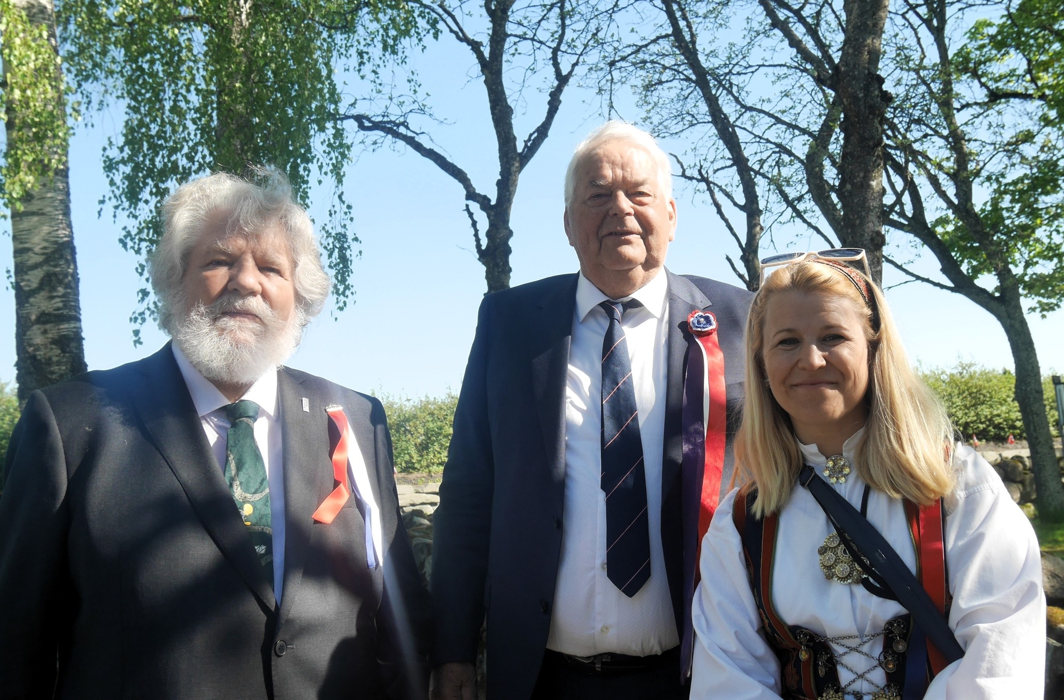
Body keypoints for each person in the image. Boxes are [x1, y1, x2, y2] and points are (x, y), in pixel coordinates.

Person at [0, 169, 432, 700]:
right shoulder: (69, 426)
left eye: (271, 267)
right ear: (174, 279)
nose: (246, 281)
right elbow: (15, 644)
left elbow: (399, 616)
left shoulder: (357, 420)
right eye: (219, 261)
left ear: (298, 298)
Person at [431, 121, 754, 700]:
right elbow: (469, 494)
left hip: (700, 674)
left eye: (639, 194)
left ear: (672, 216)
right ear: (567, 224)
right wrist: (452, 647)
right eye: (598, 195)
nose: (620, 209)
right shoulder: (509, 325)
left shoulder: (739, 319)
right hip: (542, 680)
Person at [690, 252, 1045, 699]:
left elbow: (999, 657)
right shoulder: (741, 521)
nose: (811, 360)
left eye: (833, 336)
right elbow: (728, 676)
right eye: (787, 342)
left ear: (874, 350)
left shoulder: (959, 486)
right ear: (761, 361)